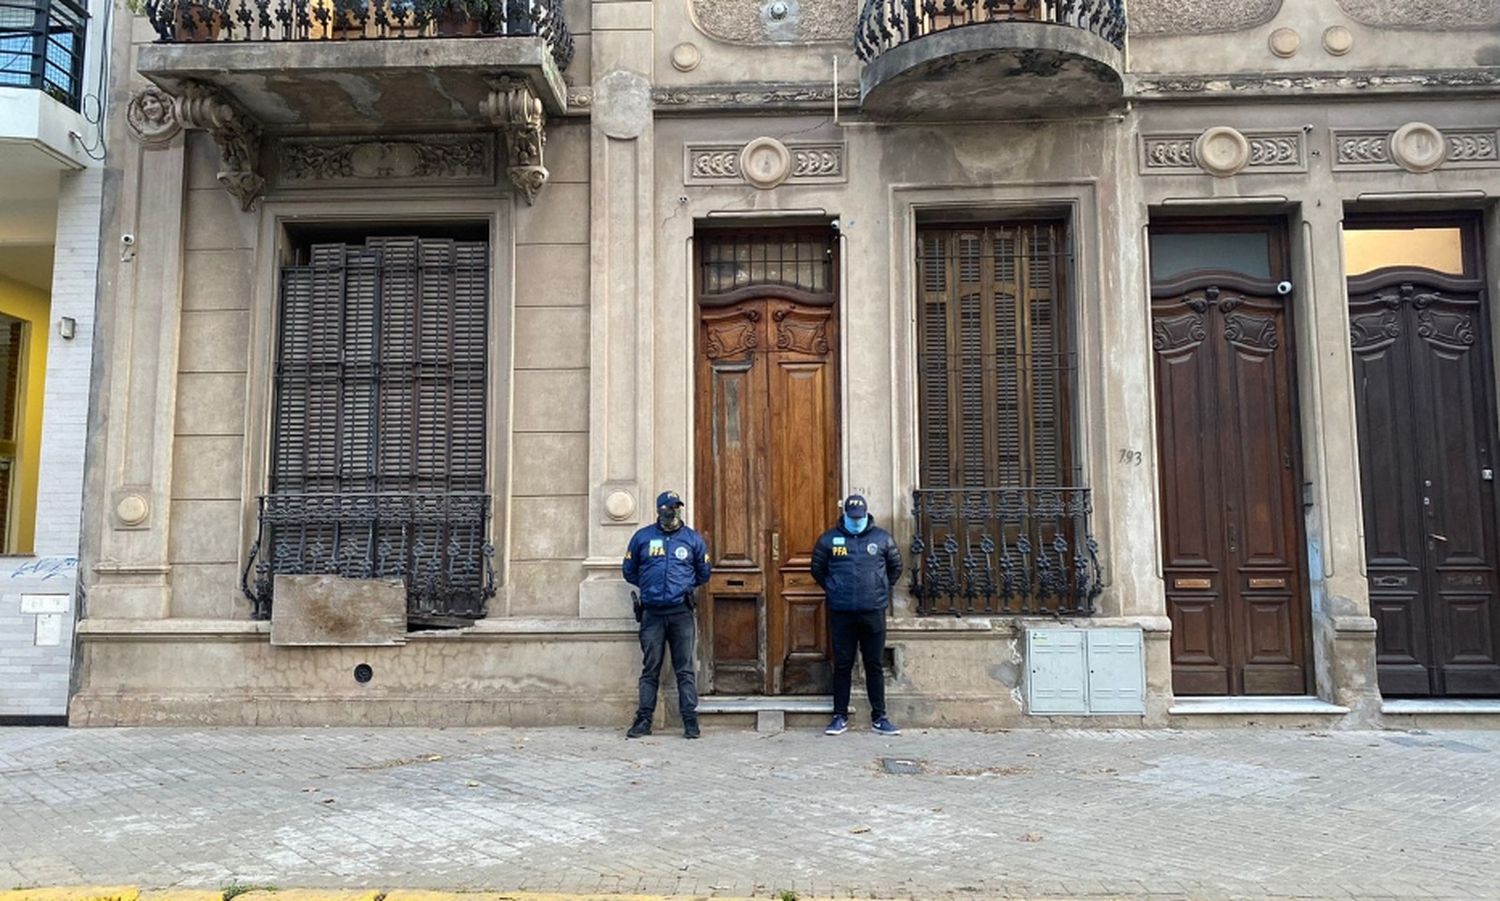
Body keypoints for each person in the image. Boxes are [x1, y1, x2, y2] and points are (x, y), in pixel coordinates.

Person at [811, 494, 903, 736]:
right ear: (845, 516)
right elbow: (817, 569)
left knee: (874, 664)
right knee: (843, 664)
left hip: (873, 611)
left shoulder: (882, 539)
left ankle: (879, 717)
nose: (855, 521)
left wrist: (880, 588)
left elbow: (896, 567)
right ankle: (839, 715)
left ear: (865, 515)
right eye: (852, 518)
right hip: (842, 612)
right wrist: (834, 588)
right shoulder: (829, 539)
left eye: (859, 518)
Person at [622, 490, 711, 739]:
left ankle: (690, 722)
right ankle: (643, 720)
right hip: (652, 614)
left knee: (684, 669)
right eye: (669, 508)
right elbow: (629, 571)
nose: (673, 512)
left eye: (677, 507)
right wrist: (650, 587)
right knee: (651, 668)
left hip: (680, 612)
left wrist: (681, 587)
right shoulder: (642, 537)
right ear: (660, 510)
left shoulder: (692, 539)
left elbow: (704, 573)